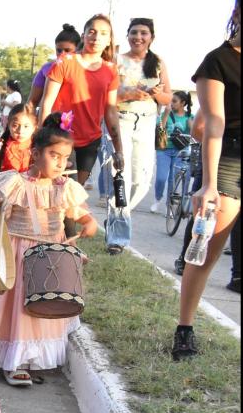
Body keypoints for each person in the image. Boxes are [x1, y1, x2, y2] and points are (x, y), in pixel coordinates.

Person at [0, 111, 98, 386]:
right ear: (35, 154)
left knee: (43, 307)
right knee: (18, 311)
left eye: (65, 157)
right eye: (54, 155)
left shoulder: (65, 187)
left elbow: (79, 214)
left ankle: (32, 356)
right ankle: (15, 362)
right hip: (18, 254)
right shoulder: (15, 183)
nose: (61, 163)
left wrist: (89, 223)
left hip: (51, 257)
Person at [173, 0, 241, 361]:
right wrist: (210, 183)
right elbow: (213, 124)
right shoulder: (218, 61)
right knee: (206, 252)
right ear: (237, 11)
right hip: (228, 158)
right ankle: (185, 328)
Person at [104, 18, 173, 254]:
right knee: (120, 177)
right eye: (134, 32)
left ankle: (118, 216)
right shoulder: (117, 61)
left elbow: (168, 99)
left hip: (146, 123)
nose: (138, 37)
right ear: (127, 35)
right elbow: (108, 97)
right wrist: (128, 94)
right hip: (121, 120)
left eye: (144, 33)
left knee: (141, 181)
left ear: (151, 36)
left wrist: (155, 94)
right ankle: (117, 237)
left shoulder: (158, 63)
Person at [39, 14, 124, 190]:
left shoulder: (111, 70)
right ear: (84, 35)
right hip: (60, 136)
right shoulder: (65, 62)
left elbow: (110, 111)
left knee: (75, 191)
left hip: (90, 140)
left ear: (109, 40)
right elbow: (47, 103)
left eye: (103, 33)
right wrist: (41, 140)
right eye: (91, 32)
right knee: (59, 190)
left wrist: (119, 150)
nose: (96, 37)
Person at [151, 91, 194, 213]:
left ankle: (169, 205)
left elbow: (193, 134)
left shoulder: (189, 117)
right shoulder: (167, 113)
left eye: (174, 101)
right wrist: (165, 114)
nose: (171, 103)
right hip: (164, 149)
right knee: (161, 178)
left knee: (174, 179)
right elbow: (160, 129)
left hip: (180, 151)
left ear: (183, 103)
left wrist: (192, 125)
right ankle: (157, 199)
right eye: (171, 101)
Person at [29, 24, 81, 108]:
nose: (62, 54)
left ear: (78, 49)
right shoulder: (46, 68)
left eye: (67, 50)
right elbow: (32, 102)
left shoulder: (86, 69)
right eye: (59, 50)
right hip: (49, 118)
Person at [0, 103, 37, 172]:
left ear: (34, 128)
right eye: (15, 125)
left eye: (26, 126)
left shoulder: (39, 150)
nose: (20, 131)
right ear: (9, 125)